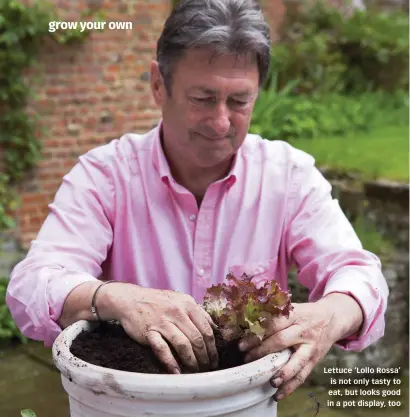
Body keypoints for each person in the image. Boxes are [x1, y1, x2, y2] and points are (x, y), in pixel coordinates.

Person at [6, 0, 388, 402]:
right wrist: (114, 297)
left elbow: (357, 272)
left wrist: (330, 315)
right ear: (158, 85)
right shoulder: (106, 177)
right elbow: (32, 285)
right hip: (132, 405)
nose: (221, 122)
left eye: (239, 102)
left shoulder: (287, 177)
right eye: (203, 99)